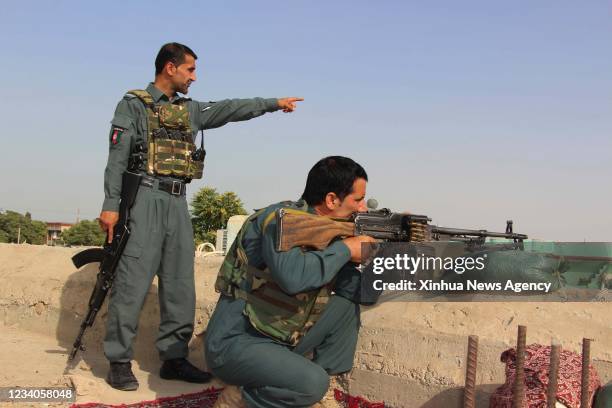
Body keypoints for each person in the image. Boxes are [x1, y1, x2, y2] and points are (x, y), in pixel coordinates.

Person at [98, 42, 303, 391]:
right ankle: (119, 360)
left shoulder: (190, 111)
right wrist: (110, 204)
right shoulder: (133, 105)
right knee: (132, 281)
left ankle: (174, 358)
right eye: (190, 69)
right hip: (144, 198)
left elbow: (229, 109)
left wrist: (272, 104)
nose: (194, 76)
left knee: (180, 284)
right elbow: (117, 157)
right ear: (169, 68)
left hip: (178, 203)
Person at [205, 156, 377, 408]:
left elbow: (359, 292)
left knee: (345, 304)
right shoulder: (281, 221)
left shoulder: (331, 230)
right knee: (312, 384)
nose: (362, 208)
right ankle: (241, 397)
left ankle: (316, 390)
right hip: (235, 343)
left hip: (279, 336)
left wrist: (384, 257)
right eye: (358, 200)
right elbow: (293, 278)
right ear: (331, 199)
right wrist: (344, 250)